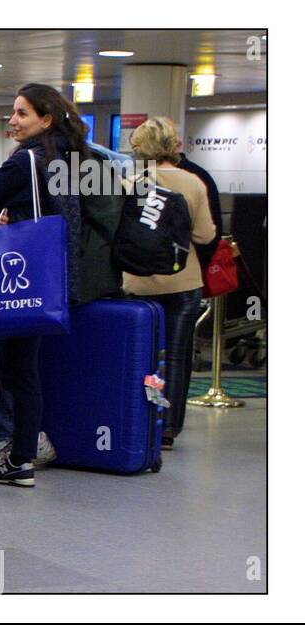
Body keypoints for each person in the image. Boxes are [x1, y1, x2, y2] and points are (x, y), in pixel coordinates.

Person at [0, 83, 87, 495]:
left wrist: (5, 217)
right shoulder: (70, 161)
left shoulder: (22, 162)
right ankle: (20, 459)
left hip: (12, 285)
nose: (13, 120)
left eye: (22, 113)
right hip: (47, 285)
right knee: (22, 371)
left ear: (45, 119)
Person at [124, 117, 217, 451]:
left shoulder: (131, 182)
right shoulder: (193, 183)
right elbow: (206, 235)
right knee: (176, 357)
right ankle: (169, 427)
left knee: (141, 355)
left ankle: (139, 415)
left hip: (138, 283)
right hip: (182, 281)